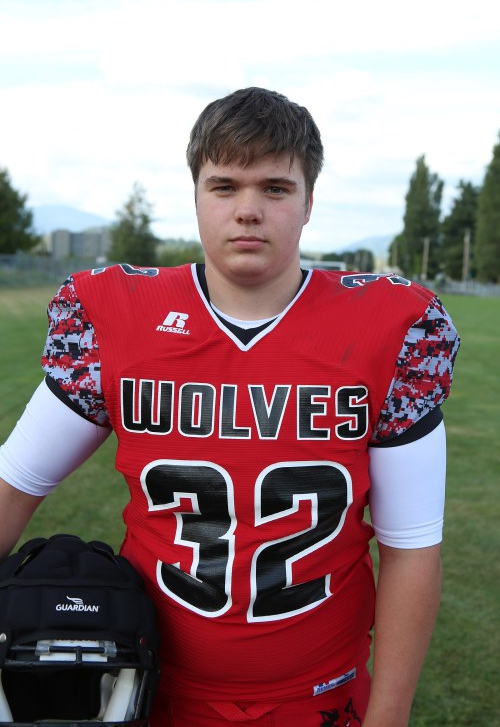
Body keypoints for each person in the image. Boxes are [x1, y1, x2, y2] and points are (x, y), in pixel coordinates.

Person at [0, 87, 460, 727]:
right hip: (145, 688)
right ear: (196, 196)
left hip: (323, 693)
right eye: (224, 186)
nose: (248, 210)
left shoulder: (392, 328)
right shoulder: (117, 317)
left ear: (308, 202)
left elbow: (411, 548)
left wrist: (389, 718)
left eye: (275, 188)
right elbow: (13, 486)